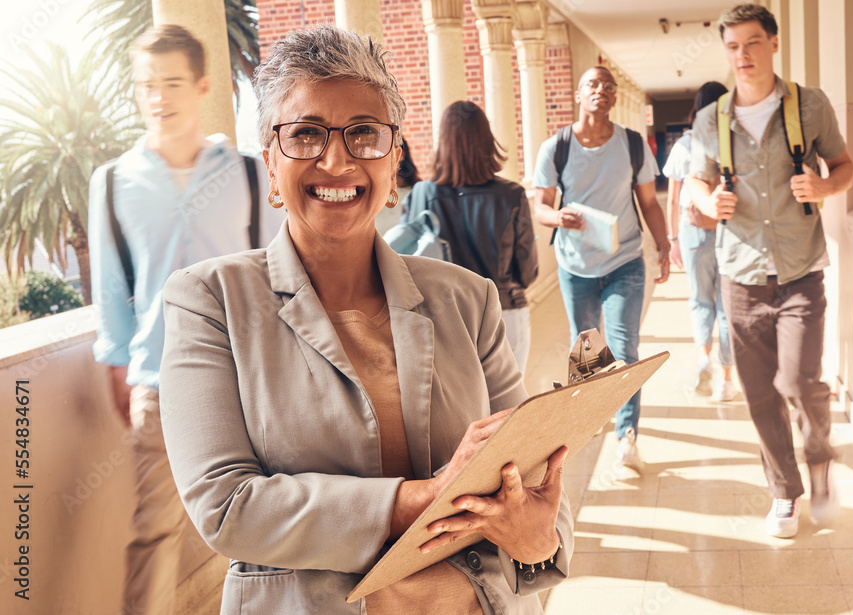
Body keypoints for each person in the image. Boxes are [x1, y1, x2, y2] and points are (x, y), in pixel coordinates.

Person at [157, 26, 573, 614]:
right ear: (270, 164)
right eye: (304, 134)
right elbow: (227, 507)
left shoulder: (466, 299)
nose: (336, 159)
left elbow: (532, 480)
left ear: (395, 158)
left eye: (363, 134)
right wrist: (428, 497)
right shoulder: (210, 301)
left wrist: (538, 537)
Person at [87, 25, 283, 615]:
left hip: (246, 388)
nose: (158, 97)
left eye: (171, 82)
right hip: (159, 390)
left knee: (262, 538)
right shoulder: (114, 183)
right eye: (146, 84)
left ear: (202, 87)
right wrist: (122, 371)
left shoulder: (249, 176)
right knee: (152, 534)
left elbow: (279, 282)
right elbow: (111, 288)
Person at [687, 4, 853, 538]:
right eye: (733, 46)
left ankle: (819, 457)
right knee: (760, 395)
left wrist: (827, 187)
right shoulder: (710, 119)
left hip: (800, 271)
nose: (743, 55)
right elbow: (695, 183)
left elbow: (845, 165)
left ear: (774, 44)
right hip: (739, 277)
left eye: (753, 43)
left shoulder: (808, 106)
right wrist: (709, 202)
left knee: (799, 381)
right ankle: (784, 493)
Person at [533, 65, 670, 472]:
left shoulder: (631, 144)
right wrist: (558, 218)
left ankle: (627, 435)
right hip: (576, 265)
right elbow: (541, 206)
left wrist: (664, 245)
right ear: (579, 93)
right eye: (593, 84)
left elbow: (649, 203)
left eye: (608, 86)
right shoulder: (555, 147)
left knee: (626, 348)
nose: (602, 91)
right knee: (587, 348)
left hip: (626, 259)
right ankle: (589, 416)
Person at [402, 100, 538, 374]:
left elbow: (406, 262)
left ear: (443, 143)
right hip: (504, 312)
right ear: (488, 141)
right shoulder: (512, 195)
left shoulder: (421, 194)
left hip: (444, 319)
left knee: (459, 413)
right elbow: (527, 271)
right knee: (508, 412)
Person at [662, 81, 737, 402]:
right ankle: (725, 379)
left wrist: (673, 239)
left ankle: (703, 359)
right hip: (729, 229)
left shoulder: (684, 145)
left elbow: (672, 198)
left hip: (692, 231)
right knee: (727, 304)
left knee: (700, 300)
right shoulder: (734, 141)